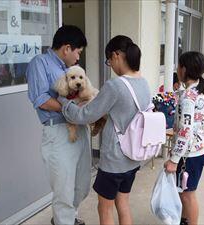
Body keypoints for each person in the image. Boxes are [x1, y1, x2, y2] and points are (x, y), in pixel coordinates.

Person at [58, 35, 150, 225]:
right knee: (123, 203)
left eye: (109, 60)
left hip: (114, 160)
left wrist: (64, 103)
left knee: (104, 207)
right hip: (133, 158)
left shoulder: (114, 86)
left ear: (116, 55)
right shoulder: (143, 83)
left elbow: (85, 115)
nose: (111, 65)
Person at [26, 25, 89, 225]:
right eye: (78, 52)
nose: (79, 57)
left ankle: (68, 217)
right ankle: (64, 220)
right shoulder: (40, 63)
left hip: (79, 128)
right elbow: (41, 99)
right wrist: (70, 109)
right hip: (59, 132)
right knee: (63, 189)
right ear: (67, 48)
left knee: (82, 184)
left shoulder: (70, 70)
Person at [164, 52, 204, 225]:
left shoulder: (188, 98)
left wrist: (174, 159)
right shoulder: (197, 90)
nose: (177, 69)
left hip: (189, 154)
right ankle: (185, 221)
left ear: (184, 69)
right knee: (186, 193)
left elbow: (185, 131)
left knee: (187, 195)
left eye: (178, 66)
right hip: (198, 150)